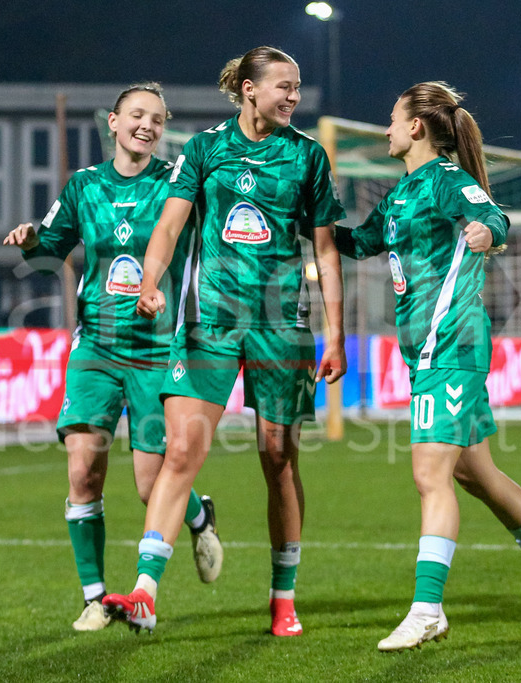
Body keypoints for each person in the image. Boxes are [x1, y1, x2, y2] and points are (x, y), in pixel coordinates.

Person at [102, 46, 347, 637]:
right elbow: (169, 223)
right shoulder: (205, 150)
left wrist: (336, 331)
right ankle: (144, 592)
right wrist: (152, 279)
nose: (292, 96)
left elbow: (326, 248)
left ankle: (282, 596)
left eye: (296, 86)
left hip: (281, 329)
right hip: (208, 322)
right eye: (283, 86)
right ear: (247, 88)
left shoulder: (308, 157)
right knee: (182, 453)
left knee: (279, 460)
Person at [333, 82, 521, 651]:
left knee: (429, 476)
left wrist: (484, 230)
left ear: (417, 126)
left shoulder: (446, 181)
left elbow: (493, 216)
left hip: (451, 345)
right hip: (426, 355)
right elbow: (359, 243)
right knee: (476, 475)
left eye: (393, 119)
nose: (387, 129)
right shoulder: (400, 196)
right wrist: (303, 223)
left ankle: (427, 611)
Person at [2, 83, 223, 632]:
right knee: (83, 472)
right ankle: (96, 598)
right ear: (114, 122)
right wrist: (32, 238)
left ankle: (199, 515)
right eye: (137, 115)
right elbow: (51, 245)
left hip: (156, 352)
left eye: (157, 118)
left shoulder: (176, 182)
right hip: (95, 347)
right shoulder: (84, 186)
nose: (147, 125)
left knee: (152, 485)